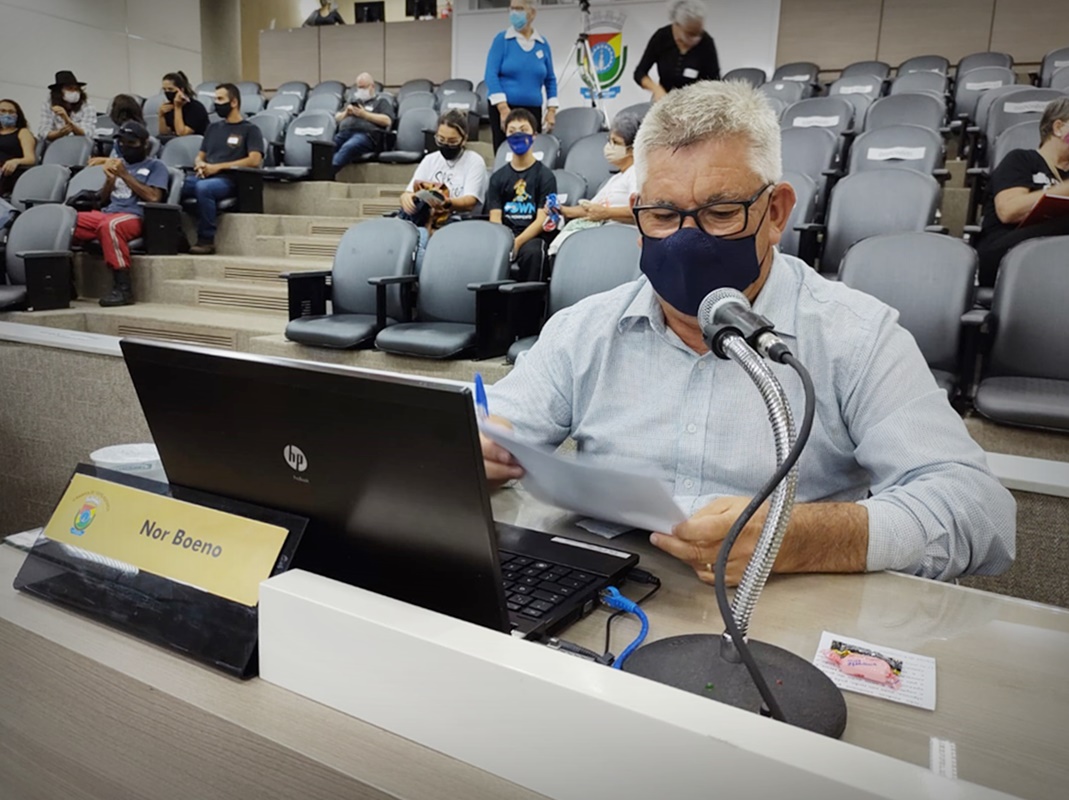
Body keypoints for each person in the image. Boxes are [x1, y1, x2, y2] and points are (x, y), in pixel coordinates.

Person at [481, 81, 1015, 586]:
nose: (687, 240)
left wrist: (802, 538)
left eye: (720, 213)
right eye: (663, 214)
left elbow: (979, 513)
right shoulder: (584, 329)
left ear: (776, 211)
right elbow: (492, 433)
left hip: (781, 607)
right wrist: (477, 454)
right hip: (608, 596)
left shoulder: (856, 335)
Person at [71, 121, 169, 307]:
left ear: (144, 144)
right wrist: (109, 181)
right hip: (109, 212)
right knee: (67, 221)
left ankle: (123, 288)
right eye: (122, 142)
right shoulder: (118, 165)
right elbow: (103, 200)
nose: (125, 147)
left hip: (135, 216)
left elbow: (154, 197)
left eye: (131, 143)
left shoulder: (156, 166)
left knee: (110, 227)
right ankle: (65, 280)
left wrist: (125, 175)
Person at [974, 98, 1069, 287]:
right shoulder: (1020, 159)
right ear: (1058, 128)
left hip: (1054, 260)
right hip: (1005, 252)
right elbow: (1009, 211)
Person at [398, 109, 488, 269]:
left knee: (422, 239)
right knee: (414, 236)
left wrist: (447, 202)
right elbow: (410, 191)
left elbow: (470, 201)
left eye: (452, 142)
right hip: (425, 219)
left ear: (464, 139)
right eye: (441, 140)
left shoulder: (474, 161)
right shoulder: (430, 160)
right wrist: (406, 198)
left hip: (458, 222)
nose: (446, 145)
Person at [180, 84, 264, 255]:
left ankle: (206, 239)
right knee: (176, 184)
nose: (216, 103)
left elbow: (255, 160)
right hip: (206, 174)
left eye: (220, 99)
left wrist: (216, 168)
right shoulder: (213, 128)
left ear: (233, 102)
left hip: (230, 179)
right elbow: (200, 155)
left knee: (203, 188)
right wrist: (200, 164)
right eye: (215, 99)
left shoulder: (250, 129)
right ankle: (174, 233)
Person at [547, 110, 640, 257]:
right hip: (598, 238)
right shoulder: (614, 179)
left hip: (616, 241)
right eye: (609, 141)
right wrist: (563, 210)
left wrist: (607, 213)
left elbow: (641, 211)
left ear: (633, 149)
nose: (609, 146)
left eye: (616, 143)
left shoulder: (635, 173)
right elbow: (592, 210)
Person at [488, 108, 557, 282]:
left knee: (534, 253)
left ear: (534, 135)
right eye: (512, 131)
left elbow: (542, 220)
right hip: (505, 235)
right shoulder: (497, 177)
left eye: (523, 130)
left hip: (532, 236)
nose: (517, 135)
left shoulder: (545, 176)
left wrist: (517, 243)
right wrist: (504, 242)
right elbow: (495, 218)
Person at [484, 0, 558, 152]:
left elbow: (550, 80)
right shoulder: (502, 40)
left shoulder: (542, 44)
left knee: (531, 152)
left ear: (532, 13)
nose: (514, 13)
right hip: (504, 108)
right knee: (504, 152)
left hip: (533, 110)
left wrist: (551, 111)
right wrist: (503, 109)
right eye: (512, 9)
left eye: (519, 9)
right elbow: (490, 75)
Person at [634, 0, 720, 101]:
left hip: (695, 104)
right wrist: (656, 89)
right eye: (690, 34)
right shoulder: (661, 37)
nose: (696, 39)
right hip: (664, 100)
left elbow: (715, 83)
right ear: (677, 25)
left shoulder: (706, 43)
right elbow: (639, 73)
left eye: (698, 33)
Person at [332, 73, 394, 174]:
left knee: (349, 146)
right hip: (344, 133)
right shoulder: (353, 101)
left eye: (363, 87)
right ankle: (321, 170)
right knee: (329, 147)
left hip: (367, 136)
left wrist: (364, 114)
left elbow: (387, 120)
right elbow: (337, 118)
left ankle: (328, 172)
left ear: (372, 87)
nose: (361, 90)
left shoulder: (381, 101)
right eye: (359, 87)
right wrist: (346, 113)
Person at [38, 70, 96, 143]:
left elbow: (87, 133)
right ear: (59, 91)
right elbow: (44, 132)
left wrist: (67, 119)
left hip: (80, 144)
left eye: (76, 89)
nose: (74, 92)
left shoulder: (87, 104)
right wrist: (59, 133)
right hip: (55, 145)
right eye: (70, 88)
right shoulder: (49, 103)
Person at [0, 99, 36, 198]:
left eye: (11, 112)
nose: (7, 114)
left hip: (9, 174)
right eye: (2, 111)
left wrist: (15, 161)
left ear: (17, 115)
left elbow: (30, 159)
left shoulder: (23, 132)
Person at [158, 71, 209, 137]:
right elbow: (164, 133)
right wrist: (161, 116)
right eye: (164, 89)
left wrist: (178, 108)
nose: (167, 92)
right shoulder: (169, 107)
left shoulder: (196, 108)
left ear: (181, 90)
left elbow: (182, 134)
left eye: (170, 89)